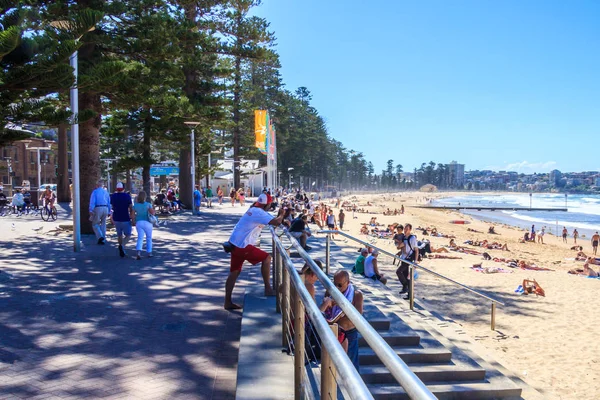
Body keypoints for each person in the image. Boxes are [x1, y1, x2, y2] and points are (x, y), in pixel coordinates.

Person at [224, 194, 285, 310]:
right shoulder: (259, 212)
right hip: (243, 245)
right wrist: (282, 214)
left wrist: (280, 218)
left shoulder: (254, 209)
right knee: (267, 258)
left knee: (234, 272)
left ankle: (227, 302)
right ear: (267, 204)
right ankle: (268, 289)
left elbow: (272, 220)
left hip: (234, 243)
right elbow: (276, 222)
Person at [319, 270, 363, 372]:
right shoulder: (329, 292)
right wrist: (327, 304)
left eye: (340, 285)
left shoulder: (357, 295)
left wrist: (339, 303)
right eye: (335, 284)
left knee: (352, 365)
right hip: (334, 331)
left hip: (349, 333)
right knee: (331, 363)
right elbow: (321, 312)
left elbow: (358, 316)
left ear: (348, 282)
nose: (337, 288)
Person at [110, 182, 133, 257]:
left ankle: (121, 247)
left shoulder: (113, 196)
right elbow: (131, 207)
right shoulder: (127, 196)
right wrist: (132, 216)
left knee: (119, 235)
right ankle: (122, 246)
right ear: (123, 188)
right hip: (125, 217)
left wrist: (111, 217)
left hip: (116, 218)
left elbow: (111, 207)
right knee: (128, 235)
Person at [396, 224, 418, 299]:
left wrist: (415, 261)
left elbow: (416, 250)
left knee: (399, 271)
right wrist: (400, 250)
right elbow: (401, 248)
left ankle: (405, 286)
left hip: (408, 259)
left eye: (407, 229)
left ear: (410, 230)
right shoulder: (404, 237)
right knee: (406, 277)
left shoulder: (412, 238)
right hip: (403, 258)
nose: (405, 230)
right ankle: (410, 295)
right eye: (405, 229)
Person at [132, 190, 155, 260]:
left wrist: (133, 221)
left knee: (140, 238)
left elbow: (132, 215)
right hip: (147, 222)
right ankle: (149, 252)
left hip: (139, 222)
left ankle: (138, 252)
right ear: (145, 197)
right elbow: (153, 213)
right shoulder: (148, 204)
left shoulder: (135, 205)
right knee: (149, 238)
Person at [89, 180, 111, 245]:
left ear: (97, 185)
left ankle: (100, 236)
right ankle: (103, 239)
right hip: (106, 208)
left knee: (95, 223)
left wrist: (91, 210)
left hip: (98, 208)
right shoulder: (106, 192)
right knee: (103, 224)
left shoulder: (95, 192)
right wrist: (109, 211)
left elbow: (92, 201)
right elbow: (109, 202)